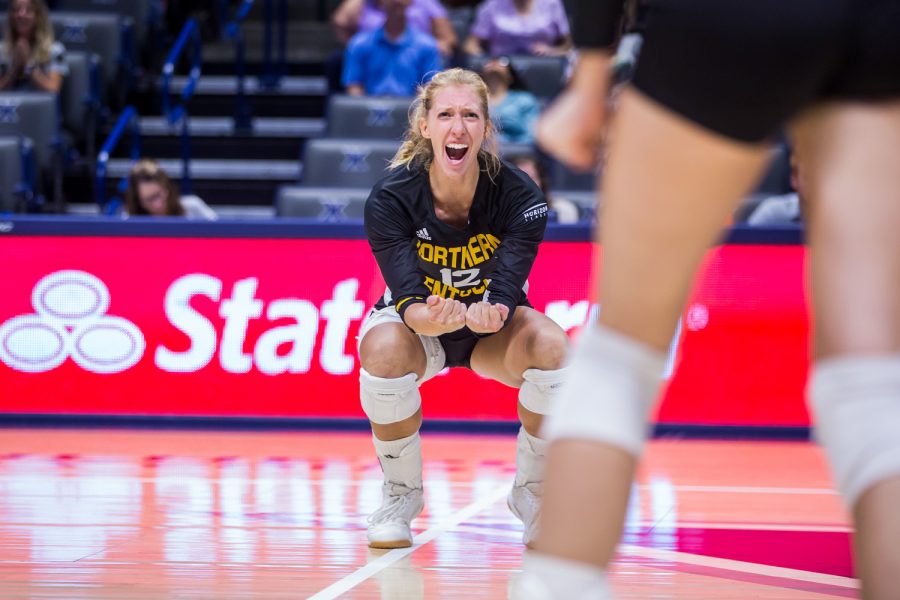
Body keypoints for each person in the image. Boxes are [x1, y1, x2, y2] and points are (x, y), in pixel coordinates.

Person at [513, 0, 900, 598]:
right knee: (872, 384)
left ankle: (558, 584)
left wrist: (591, 72)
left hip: (725, 19)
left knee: (619, 358)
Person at [359, 67, 569, 549]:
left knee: (556, 352)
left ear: (486, 128)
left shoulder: (520, 197)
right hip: (420, 325)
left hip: (487, 330)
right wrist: (430, 317)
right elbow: (407, 301)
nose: (459, 128)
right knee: (383, 352)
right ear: (424, 126)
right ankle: (400, 496)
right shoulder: (390, 198)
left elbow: (507, 291)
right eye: (446, 115)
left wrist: (491, 311)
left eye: (471, 116)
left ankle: (533, 495)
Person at [342, 0, 443, 97]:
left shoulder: (427, 45)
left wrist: (413, 112)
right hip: (369, 110)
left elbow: (429, 88)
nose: (397, 1)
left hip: (411, 111)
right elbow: (353, 86)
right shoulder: (359, 44)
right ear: (380, 1)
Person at [332, 0, 458, 58]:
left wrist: (434, 46)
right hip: (372, 56)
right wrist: (357, 47)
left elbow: (449, 38)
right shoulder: (366, 3)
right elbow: (340, 21)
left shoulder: (425, 3)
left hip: (416, 54)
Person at [462, 0, 571, 58]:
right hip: (502, 69)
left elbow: (568, 46)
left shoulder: (552, 4)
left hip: (544, 68)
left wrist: (551, 52)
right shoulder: (492, 5)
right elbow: (471, 45)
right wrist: (488, 60)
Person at [0, 0, 67, 93]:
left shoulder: (55, 50)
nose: (21, 14)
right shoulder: (2, 50)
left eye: (28, 10)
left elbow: (53, 90)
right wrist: (14, 70)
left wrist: (29, 64)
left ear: (38, 16)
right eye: (16, 9)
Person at [124, 159, 218, 220]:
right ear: (138, 201)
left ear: (167, 187)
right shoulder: (129, 219)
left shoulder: (193, 207)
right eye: (149, 199)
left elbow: (221, 233)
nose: (158, 204)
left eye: (159, 194)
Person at [481, 57, 541, 145]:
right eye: (489, 63)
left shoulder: (525, 100)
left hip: (517, 152)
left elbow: (533, 134)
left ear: (511, 77)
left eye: (502, 62)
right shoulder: (473, 100)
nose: (494, 65)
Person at [511, 154, 580, 224]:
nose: (527, 184)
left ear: (542, 181)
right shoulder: (502, 216)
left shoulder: (564, 210)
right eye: (519, 178)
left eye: (532, 178)